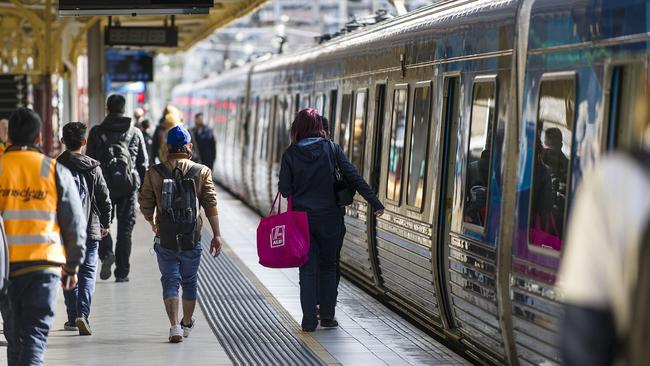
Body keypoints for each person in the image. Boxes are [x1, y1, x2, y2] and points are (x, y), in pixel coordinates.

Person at [278, 108, 384, 332]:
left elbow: (285, 190)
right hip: (330, 219)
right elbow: (353, 176)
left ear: (297, 127)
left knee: (307, 269)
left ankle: (308, 321)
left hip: (302, 220)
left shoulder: (290, 154)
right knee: (328, 265)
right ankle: (327, 316)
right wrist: (375, 202)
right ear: (319, 127)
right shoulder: (332, 149)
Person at [0, 108, 86, 365]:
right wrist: (72, 266)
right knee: (34, 337)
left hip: (5, 270)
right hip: (45, 266)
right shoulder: (54, 170)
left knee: (15, 337)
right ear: (39, 137)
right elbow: (74, 223)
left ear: (9, 139)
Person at [138, 125, 224, 343]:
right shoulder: (202, 171)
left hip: (166, 237)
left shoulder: (154, 172)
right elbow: (210, 203)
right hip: (191, 237)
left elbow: (145, 203)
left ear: (167, 147)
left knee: (170, 280)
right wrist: (216, 234)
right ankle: (186, 322)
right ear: (190, 147)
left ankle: (174, 325)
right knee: (189, 281)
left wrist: (152, 222)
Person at [57, 122, 112, 336]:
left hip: (63, 229)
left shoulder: (55, 166)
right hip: (90, 227)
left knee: (68, 269)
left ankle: (72, 317)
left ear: (62, 141)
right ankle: (83, 314)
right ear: (84, 142)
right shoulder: (93, 167)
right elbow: (104, 198)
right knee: (88, 271)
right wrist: (106, 223)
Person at [86, 94, 148, 282]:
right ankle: (122, 272)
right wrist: (144, 190)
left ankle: (106, 254)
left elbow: (89, 161)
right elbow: (143, 164)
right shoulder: (135, 132)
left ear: (107, 109)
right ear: (123, 108)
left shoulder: (96, 132)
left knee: (102, 225)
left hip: (103, 186)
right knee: (125, 230)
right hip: (128, 188)